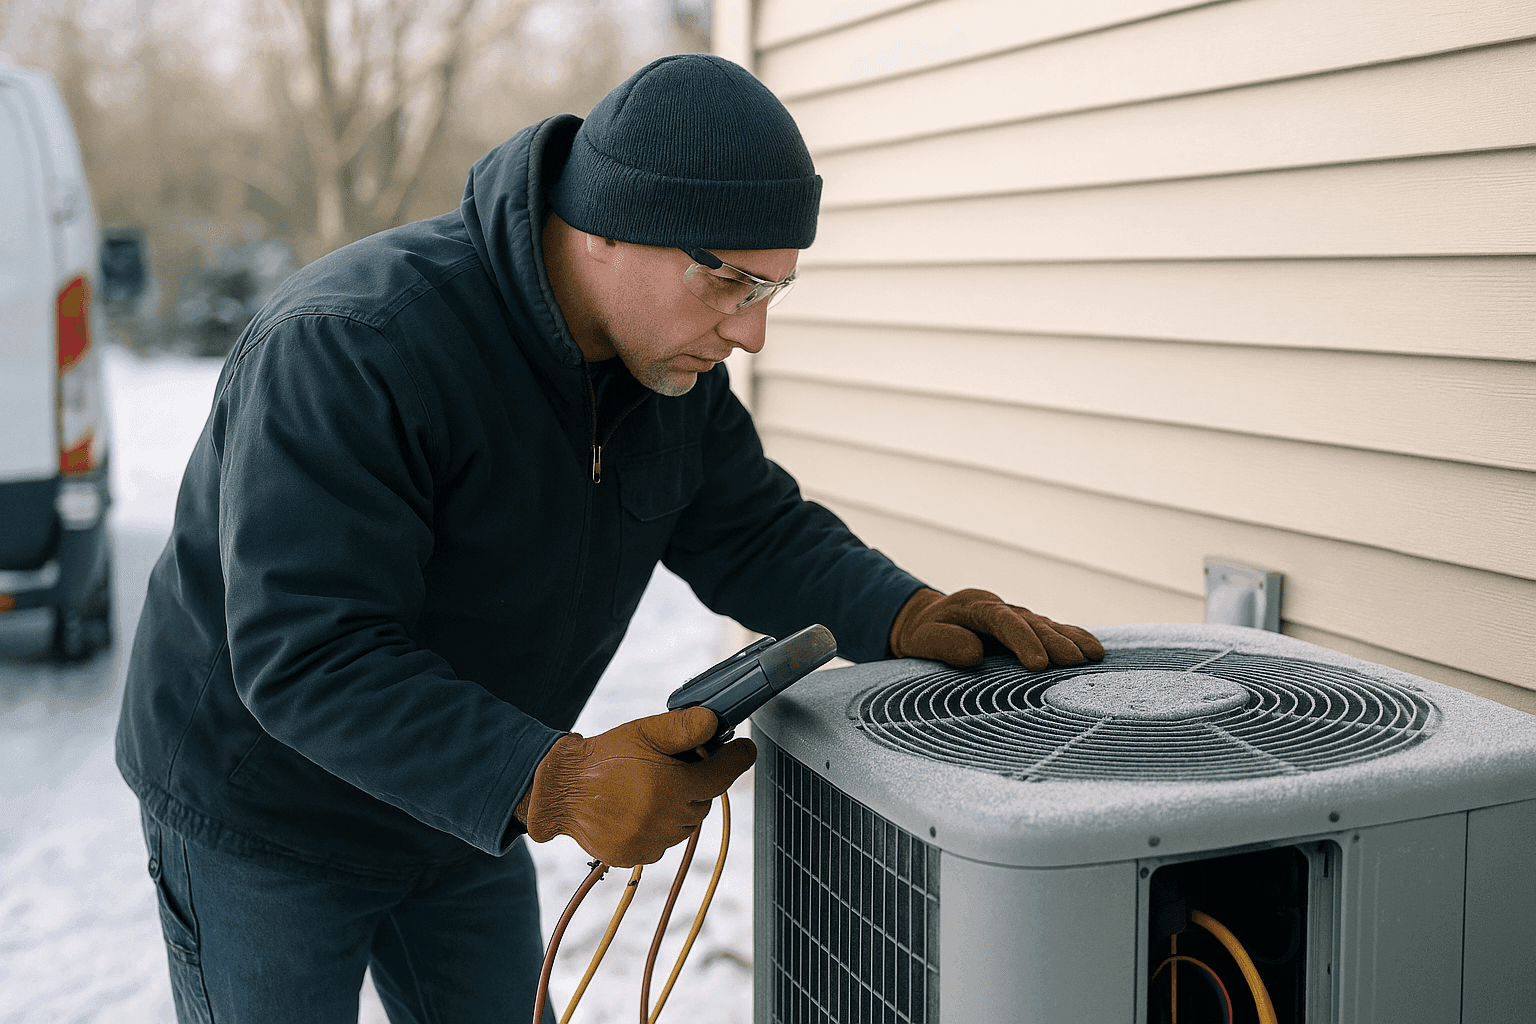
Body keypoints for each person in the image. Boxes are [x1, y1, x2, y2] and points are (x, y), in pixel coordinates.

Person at [115, 53, 1104, 1023]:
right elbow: (310, 653)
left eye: (770, 292)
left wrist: (904, 609)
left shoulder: (667, 370)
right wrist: (558, 780)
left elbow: (751, 529)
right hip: (266, 816)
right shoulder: (354, 348)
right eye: (730, 285)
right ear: (607, 231)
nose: (750, 335)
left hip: (461, 815)